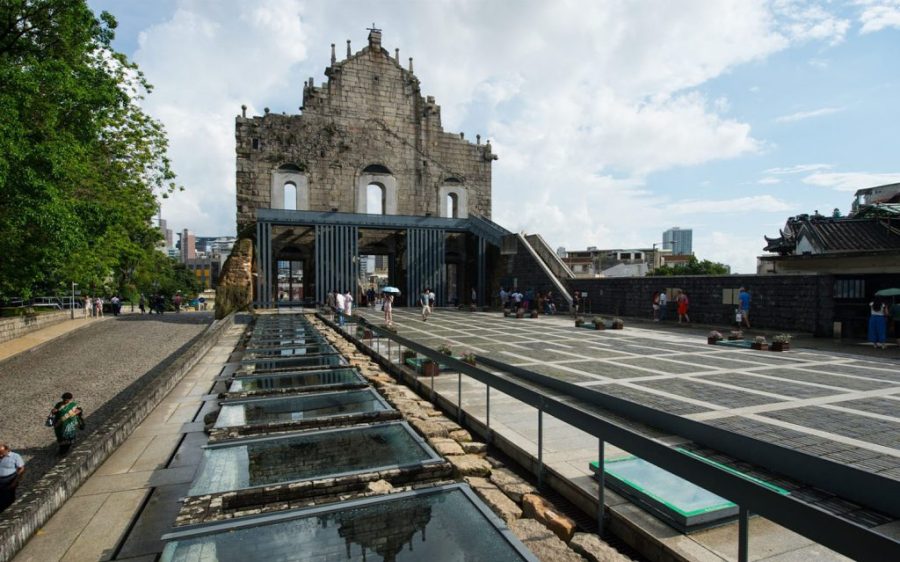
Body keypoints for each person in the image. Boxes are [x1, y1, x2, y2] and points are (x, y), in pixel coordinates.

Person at [0, 443, 25, 513]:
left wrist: (15, 481)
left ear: (7, 450)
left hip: (9, 479)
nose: (1, 456)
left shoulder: (15, 456)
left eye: (2, 453)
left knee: (8, 497)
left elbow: (21, 469)